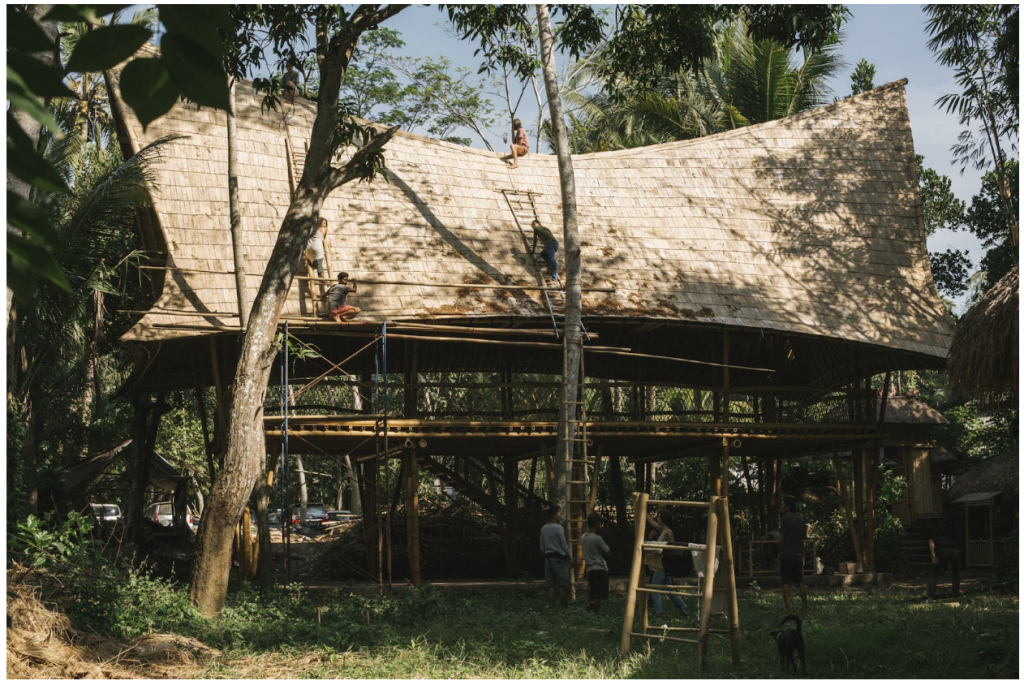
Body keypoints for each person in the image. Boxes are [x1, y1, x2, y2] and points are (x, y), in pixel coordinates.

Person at [646, 508, 688, 617]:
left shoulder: (668, 532)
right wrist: (643, 511)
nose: (657, 518)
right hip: (661, 563)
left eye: (659, 517)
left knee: (654, 589)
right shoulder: (661, 530)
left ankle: (658, 612)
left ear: (663, 520)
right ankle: (684, 607)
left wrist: (662, 550)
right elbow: (651, 522)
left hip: (663, 564)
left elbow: (674, 547)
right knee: (669, 589)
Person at [540, 504, 573, 609]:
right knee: (563, 585)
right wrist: (570, 558)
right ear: (554, 514)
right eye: (559, 513)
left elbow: (542, 547)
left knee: (551, 587)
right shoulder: (559, 528)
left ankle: (551, 608)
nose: (561, 515)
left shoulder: (543, 528)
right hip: (559, 559)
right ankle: (565, 609)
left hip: (548, 559)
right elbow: (564, 545)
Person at [779, 497, 807, 612]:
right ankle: (804, 605)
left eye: (782, 504)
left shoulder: (786, 519)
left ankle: (787, 607)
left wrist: (781, 551)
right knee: (800, 581)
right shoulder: (801, 519)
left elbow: (781, 538)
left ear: (788, 507)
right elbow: (803, 537)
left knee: (786, 582)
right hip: (798, 555)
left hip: (787, 555)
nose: (781, 506)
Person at [581, 512, 612, 613]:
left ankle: (588, 611)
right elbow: (608, 552)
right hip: (599, 568)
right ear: (596, 524)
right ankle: (595, 614)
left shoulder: (583, 537)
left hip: (590, 569)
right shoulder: (597, 538)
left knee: (592, 592)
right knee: (597, 595)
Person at [927, 528, 962, 602]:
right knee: (955, 573)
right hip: (956, 551)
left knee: (934, 573)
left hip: (942, 550)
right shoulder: (948, 538)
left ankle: (930, 597)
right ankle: (956, 596)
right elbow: (951, 565)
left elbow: (930, 542)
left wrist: (933, 553)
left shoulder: (934, 538)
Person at [530, 219, 559, 285]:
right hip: (555, 244)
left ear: (539, 223)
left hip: (550, 245)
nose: (533, 226)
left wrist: (533, 251)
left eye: (534, 224)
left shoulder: (536, 229)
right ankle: (550, 266)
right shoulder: (545, 228)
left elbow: (535, 240)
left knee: (553, 261)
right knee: (543, 253)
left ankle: (555, 280)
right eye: (532, 225)